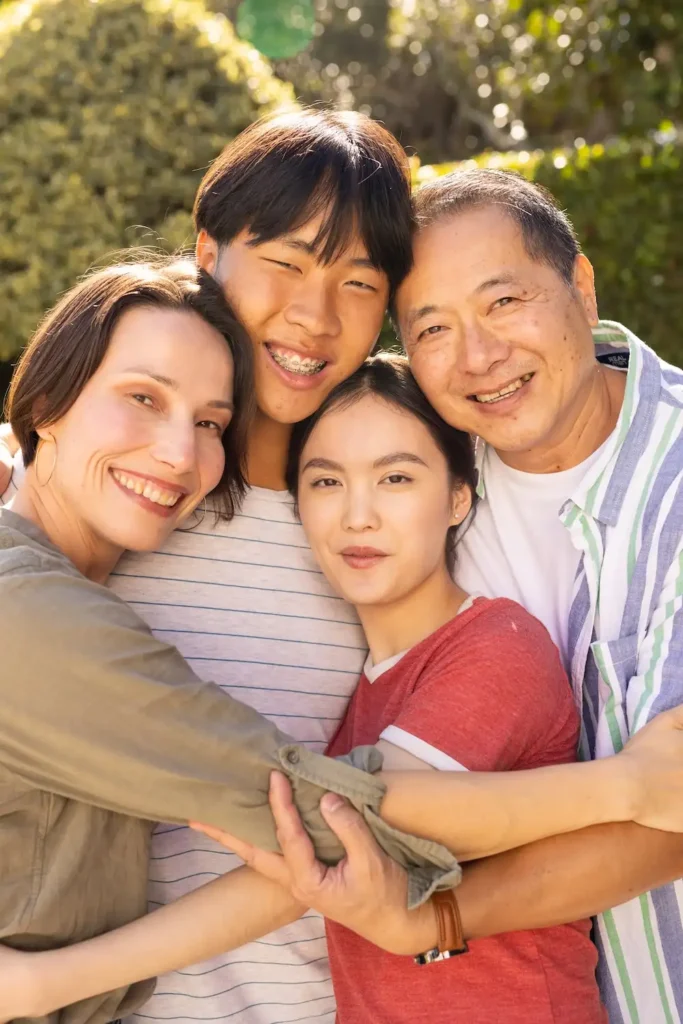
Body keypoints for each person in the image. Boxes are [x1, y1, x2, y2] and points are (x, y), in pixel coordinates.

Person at [5, 358, 683, 1024]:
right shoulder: (360, 689)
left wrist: (48, 981)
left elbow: (350, 824)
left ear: (456, 496)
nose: (357, 516)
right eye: (326, 481)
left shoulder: (495, 647)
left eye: (395, 478)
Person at [0, 107, 417, 1024]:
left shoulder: (379, 521)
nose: (314, 314)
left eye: (359, 281)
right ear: (207, 250)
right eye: (285, 263)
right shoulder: (110, 515)